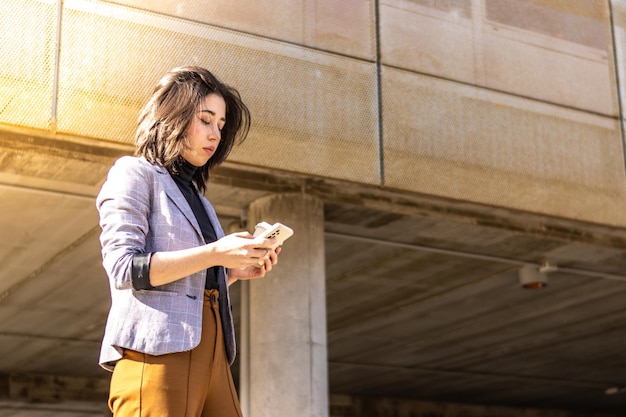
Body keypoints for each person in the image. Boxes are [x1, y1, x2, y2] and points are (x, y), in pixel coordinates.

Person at [96, 66, 279, 417]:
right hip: (159, 353)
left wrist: (233, 272)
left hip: (214, 351)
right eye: (206, 120)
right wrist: (215, 252)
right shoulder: (134, 173)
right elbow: (123, 268)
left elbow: (189, 282)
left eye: (221, 126)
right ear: (173, 116)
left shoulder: (200, 199)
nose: (215, 134)